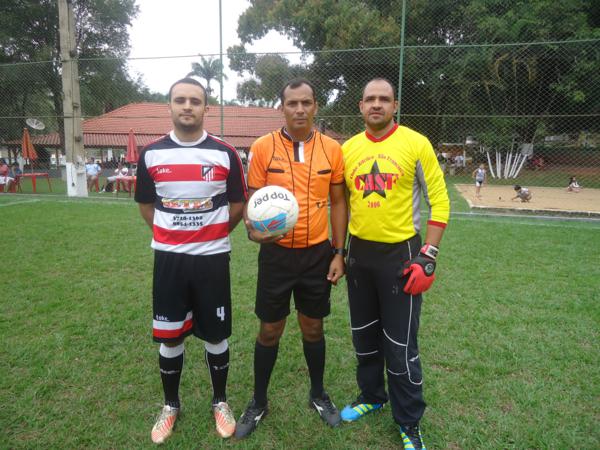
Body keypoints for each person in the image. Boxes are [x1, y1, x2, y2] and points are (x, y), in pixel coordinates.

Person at [135, 77, 247, 444]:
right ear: (169, 105)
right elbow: (146, 206)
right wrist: (172, 236)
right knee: (171, 336)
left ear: (205, 108)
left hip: (212, 259)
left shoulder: (225, 154)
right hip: (169, 261)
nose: (187, 106)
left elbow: (237, 205)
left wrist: (211, 235)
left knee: (216, 334)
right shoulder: (151, 154)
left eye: (195, 101)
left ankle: (220, 401)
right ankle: (170, 405)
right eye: (180, 100)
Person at [235, 78, 348, 439]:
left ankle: (318, 394)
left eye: (306, 103)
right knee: (270, 329)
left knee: (313, 327)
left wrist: (339, 252)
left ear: (316, 106)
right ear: (281, 108)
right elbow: (253, 201)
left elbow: (339, 202)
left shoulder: (332, 149)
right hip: (276, 255)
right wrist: (253, 231)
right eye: (292, 103)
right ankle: (258, 401)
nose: (299, 109)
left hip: (317, 254)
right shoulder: (262, 147)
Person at [340, 78, 450, 450]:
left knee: (400, 345)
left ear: (395, 105)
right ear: (360, 106)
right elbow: (340, 204)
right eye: (370, 99)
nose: (376, 104)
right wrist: (339, 252)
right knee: (364, 336)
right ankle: (372, 395)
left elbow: (440, 201)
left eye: (384, 99)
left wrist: (428, 256)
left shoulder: (416, 143)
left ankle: (409, 421)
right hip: (359, 255)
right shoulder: (348, 149)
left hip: (401, 256)